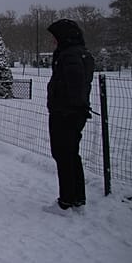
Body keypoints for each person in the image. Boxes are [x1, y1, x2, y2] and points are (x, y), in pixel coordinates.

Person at [45, 19, 94, 214]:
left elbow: (74, 84)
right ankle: (77, 196)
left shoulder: (69, 56)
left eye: (55, 38)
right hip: (73, 112)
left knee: (63, 154)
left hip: (65, 113)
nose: (53, 42)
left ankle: (66, 200)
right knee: (72, 154)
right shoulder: (80, 53)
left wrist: (66, 106)